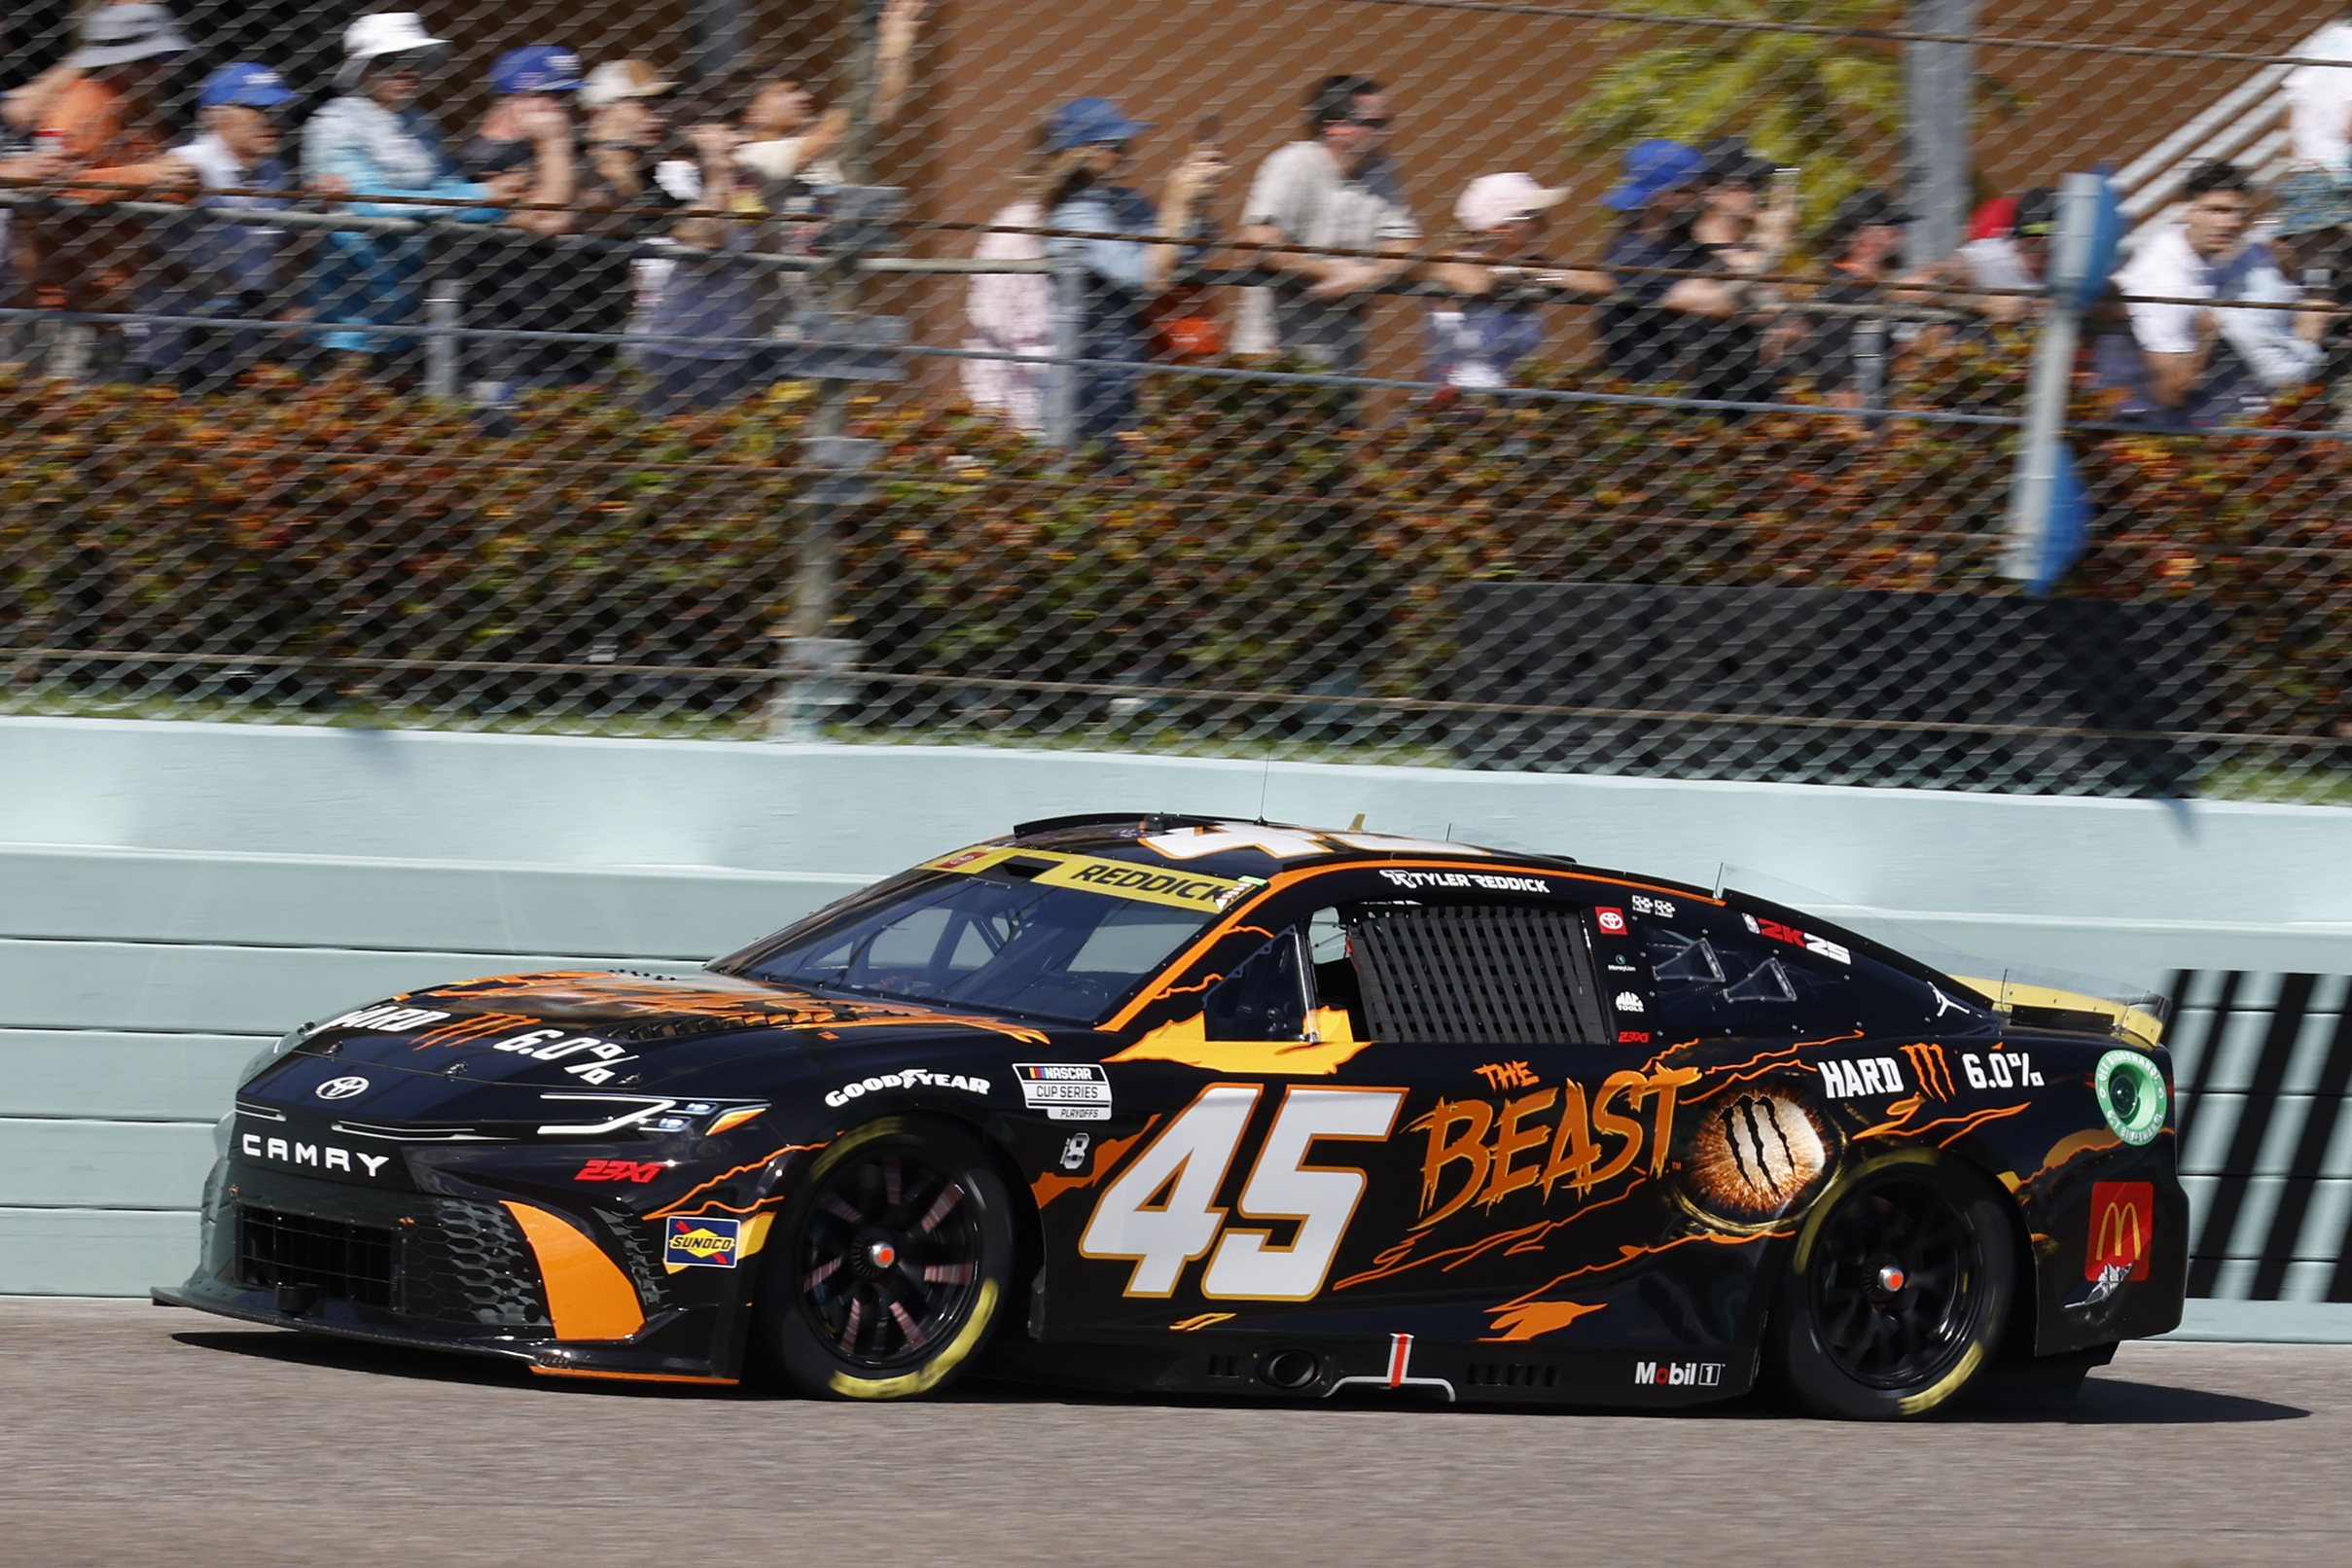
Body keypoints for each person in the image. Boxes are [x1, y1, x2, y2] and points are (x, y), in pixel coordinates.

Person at [302, 14, 512, 373]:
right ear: (363, 69)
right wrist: (482, 195)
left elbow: (447, 192)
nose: (407, 71)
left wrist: (502, 199)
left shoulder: (420, 123)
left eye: (415, 61)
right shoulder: (335, 123)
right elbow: (368, 203)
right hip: (352, 315)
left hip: (408, 310)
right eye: (391, 61)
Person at [16, 4, 196, 375]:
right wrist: (147, 176)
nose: (165, 68)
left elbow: (158, 180)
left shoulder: (145, 113)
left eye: (169, 57)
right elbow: (52, 188)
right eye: (156, 58)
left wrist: (184, 182)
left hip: (114, 307)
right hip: (62, 309)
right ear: (123, 61)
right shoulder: (79, 106)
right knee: (53, 419)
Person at [1035, 95, 1224, 445]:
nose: (1126, 150)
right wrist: (1176, 202)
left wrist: (1197, 203)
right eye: (1116, 143)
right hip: (1084, 383)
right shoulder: (1073, 217)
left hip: (1130, 373)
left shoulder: (1127, 203)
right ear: (1086, 152)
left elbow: (1188, 255)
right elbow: (1145, 275)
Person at [1235, 73, 1418, 375]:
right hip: (1274, 352)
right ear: (1334, 127)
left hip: (1342, 355)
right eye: (1373, 123)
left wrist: (1366, 276)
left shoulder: (1382, 170)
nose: (1385, 133)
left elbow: (1406, 246)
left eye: (1387, 121)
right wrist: (1336, 271)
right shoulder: (1292, 164)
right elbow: (1259, 240)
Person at [2111, 160, 2319, 426]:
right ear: (2184, 210)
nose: (2231, 223)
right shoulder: (2167, 285)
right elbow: (2170, 392)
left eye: (2238, 213)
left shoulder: (2186, 242)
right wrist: (2207, 335)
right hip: (2158, 422)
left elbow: (2270, 253)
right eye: (2217, 211)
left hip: (2221, 397)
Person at [139, 62, 300, 388]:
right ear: (213, 116)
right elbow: (144, 250)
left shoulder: (275, 171)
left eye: (277, 108)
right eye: (257, 108)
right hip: (176, 340)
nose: (273, 119)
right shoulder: (189, 163)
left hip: (246, 335)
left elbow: (280, 248)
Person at [1596, 139, 1771, 409]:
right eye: (1695, 190)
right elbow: (1718, 303)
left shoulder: (1685, 245)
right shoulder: (1632, 252)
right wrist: (1773, 244)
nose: (1704, 198)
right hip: (1659, 399)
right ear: (1665, 197)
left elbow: (1766, 304)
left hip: (1720, 393)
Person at [1424, 171, 1612, 391]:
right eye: (1534, 215)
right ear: (1504, 225)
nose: (1544, 224)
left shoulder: (1532, 265)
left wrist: (1545, 274)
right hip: (1461, 392)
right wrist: (1511, 271)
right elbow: (1474, 284)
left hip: (1516, 390)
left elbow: (1602, 284)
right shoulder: (1452, 261)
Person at [962, 128, 1057, 433]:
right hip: (1028, 401)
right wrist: (989, 408)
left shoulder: (1109, 221)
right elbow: (990, 325)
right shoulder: (1014, 228)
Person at [1788, 188, 1914, 402]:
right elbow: (1841, 383)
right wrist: (1859, 430)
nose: (1899, 235)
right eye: (1891, 227)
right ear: (1864, 235)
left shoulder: (1865, 290)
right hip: (1852, 416)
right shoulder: (1841, 293)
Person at [1691, 137, 1797, 279]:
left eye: (1758, 184)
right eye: (1746, 186)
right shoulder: (1699, 247)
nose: (1756, 195)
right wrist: (1773, 247)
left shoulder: (1749, 241)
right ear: (1710, 191)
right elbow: (1741, 274)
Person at [2284, 8, 2352, 178]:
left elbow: (2289, 118)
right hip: (2340, 172)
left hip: (2306, 169)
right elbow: (2348, 127)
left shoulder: (2326, 39)